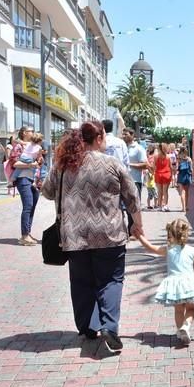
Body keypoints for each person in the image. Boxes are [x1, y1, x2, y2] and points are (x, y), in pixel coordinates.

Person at [42, 121, 143, 353]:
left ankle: (88, 327)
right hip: (109, 234)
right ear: (99, 138)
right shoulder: (112, 163)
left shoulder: (64, 164)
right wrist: (138, 226)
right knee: (111, 280)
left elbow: (47, 192)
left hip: (74, 235)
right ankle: (109, 327)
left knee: (81, 282)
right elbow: (133, 199)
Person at [137, 219, 194, 345]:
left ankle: (181, 332)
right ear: (185, 234)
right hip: (189, 283)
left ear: (170, 234)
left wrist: (140, 236)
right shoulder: (191, 249)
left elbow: (151, 248)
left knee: (179, 310)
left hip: (175, 286)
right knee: (191, 308)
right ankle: (186, 327)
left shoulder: (168, 249)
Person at [11, 127, 41, 246]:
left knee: (32, 206)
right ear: (24, 133)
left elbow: (39, 162)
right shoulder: (18, 147)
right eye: (31, 131)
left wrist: (39, 159)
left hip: (33, 179)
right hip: (22, 178)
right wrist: (31, 164)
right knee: (28, 206)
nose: (33, 133)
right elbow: (15, 163)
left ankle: (27, 233)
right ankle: (24, 235)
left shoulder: (32, 146)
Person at [122, 128, 148, 225]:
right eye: (123, 134)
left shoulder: (138, 148)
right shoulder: (122, 147)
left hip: (135, 181)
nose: (124, 136)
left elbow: (145, 165)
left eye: (126, 134)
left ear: (132, 135)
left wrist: (129, 165)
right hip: (123, 180)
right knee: (124, 207)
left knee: (133, 206)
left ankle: (134, 229)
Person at [154, 143, 172, 211]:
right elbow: (170, 167)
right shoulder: (168, 157)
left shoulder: (156, 156)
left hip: (158, 174)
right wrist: (172, 174)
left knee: (159, 191)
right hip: (166, 174)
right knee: (165, 191)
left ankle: (160, 206)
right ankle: (165, 205)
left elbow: (154, 166)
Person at [176, 147, 193, 212]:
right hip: (187, 176)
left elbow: (177, 168)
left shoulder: (179, 159)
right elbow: (191, 169)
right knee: (187, 192)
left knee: (182, 192)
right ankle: (186, 206)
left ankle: (183, 208)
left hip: (181, 175)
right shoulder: (189, 159)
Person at [144, 144, 157, 210]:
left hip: (151, 171)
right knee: (153, 193)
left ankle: (153, 204)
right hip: (150, 171)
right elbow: (146, 163)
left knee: (152, 193)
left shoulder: (151, 155)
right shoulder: (149, 155)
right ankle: (153, 205)